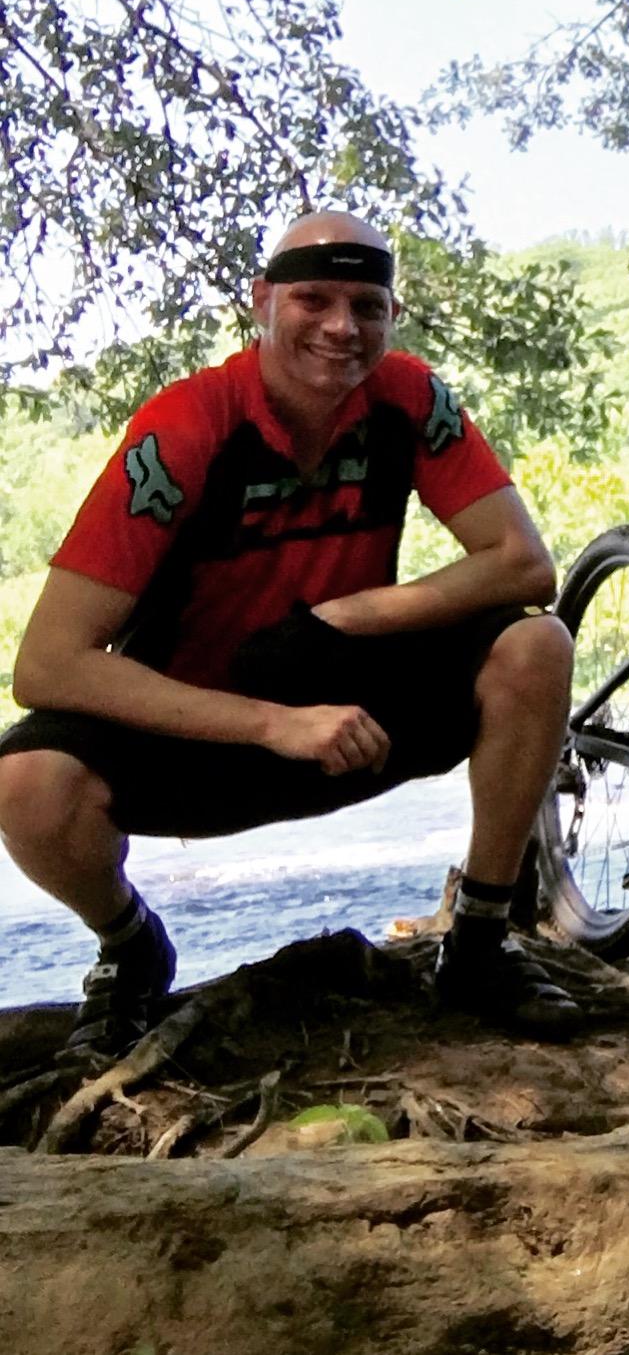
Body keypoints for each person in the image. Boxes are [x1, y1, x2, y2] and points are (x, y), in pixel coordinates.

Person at [0, 210, 578, 1057]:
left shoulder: (411, 400)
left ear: (390, 316)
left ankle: (481, 942)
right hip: (198, 730)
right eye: (314, 298)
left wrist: (351, 616)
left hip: (352, 720)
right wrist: (275, 723)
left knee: (537, 644)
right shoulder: (186, 427)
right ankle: (129, 951)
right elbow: (47, 665)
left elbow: (524, 566)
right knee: (25, 783)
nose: (342, 327)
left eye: (367, 304)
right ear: (262, 303)